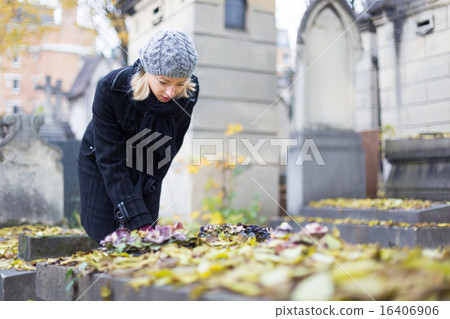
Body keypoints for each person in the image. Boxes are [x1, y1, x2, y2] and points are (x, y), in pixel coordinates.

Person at [77, 30, 199, 242]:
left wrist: (142, 218)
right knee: (106, 233)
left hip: (149, 159)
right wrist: (135, 215)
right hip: (102, 158)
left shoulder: (188, 93)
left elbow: (169, 148)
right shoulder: (111, 87)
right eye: (163, 82)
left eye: (179, 83)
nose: (171, 92)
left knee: (145, 234)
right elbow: (110, 160)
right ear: (147, 72)